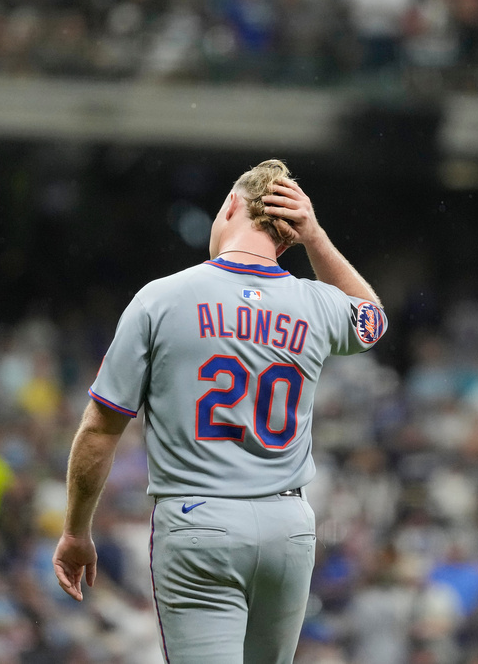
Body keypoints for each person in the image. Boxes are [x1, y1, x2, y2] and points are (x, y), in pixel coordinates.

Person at [52, 160, 387, 663]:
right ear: (289, 235)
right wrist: (317, 238)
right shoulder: (314, 302)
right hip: (287, 526)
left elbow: (101, 429)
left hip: (198, 521)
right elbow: (374, 321)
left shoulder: (161, 299)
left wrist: (77, 530)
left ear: (230, 205)